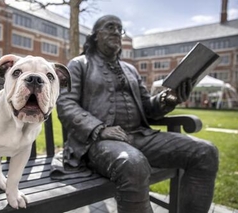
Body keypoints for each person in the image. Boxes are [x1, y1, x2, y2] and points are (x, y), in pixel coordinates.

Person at [56, 15, 219, 213]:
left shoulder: (130, 69)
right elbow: (65, 103)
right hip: (97, 143)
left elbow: (147, 108)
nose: (117, 32)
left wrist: (167, 99)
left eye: (120, 29)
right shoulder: (79, 64)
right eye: (110, 27)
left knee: (205, 152)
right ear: (95, 35)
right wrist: (100, 129)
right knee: (132, 163)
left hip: (140, 136)